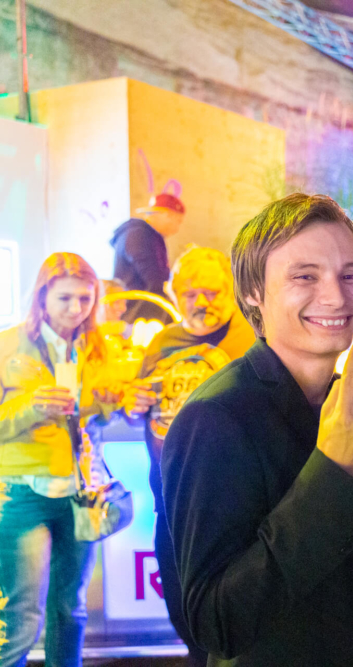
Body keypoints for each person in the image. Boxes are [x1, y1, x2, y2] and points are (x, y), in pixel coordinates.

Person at [160, 194, 353, 666]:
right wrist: (335, 472)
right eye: (305, 276)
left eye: (350, 275)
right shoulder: (216, 417)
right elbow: (216, 622)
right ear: (253, 292)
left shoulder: (350, 402)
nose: (336, 297)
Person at [121, 246, 255, 666]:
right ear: (174, 295)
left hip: (238, 503)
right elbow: (138, 409)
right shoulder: (163, 342)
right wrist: (132, 404)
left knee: (237, 619)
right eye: (191, 294)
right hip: (172, 500)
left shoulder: (254, 336)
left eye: (212, 292)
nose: (202, 302)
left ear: (231, 290)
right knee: (184, 612)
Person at [0, 253, 118, 667]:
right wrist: (32, 407)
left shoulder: (98, 347)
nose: (75, 309)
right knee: (21, 617)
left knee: (71, 609)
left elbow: (99, 417)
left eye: (85, 299)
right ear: (42, 296)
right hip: (22, 493)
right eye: (65, 298)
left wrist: (111, 402)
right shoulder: (7, 344)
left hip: (79, 493)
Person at [111, 193, 185, 323]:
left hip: (137, 312)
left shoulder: (142, 234)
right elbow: (155, 279)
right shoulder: (140, 234)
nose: (177, 228)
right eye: (178, 221)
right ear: (167, 214)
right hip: (137, 316)